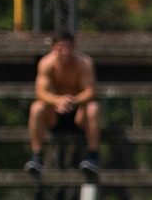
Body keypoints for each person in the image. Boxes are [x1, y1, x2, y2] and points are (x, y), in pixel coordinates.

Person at [27, 30, 102, 179]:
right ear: (53, 48)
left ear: (74, 47)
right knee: (36, 108)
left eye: (68, 48)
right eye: (61, 48)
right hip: (54, 113)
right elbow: (40, 93)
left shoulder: (84, 63)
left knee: (93, 108)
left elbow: (90, 91)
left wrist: (73, 101)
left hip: (78, 113)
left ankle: (93, 156)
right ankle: (36, 156)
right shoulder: (46, 63)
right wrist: (58, 100)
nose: (65, 52)